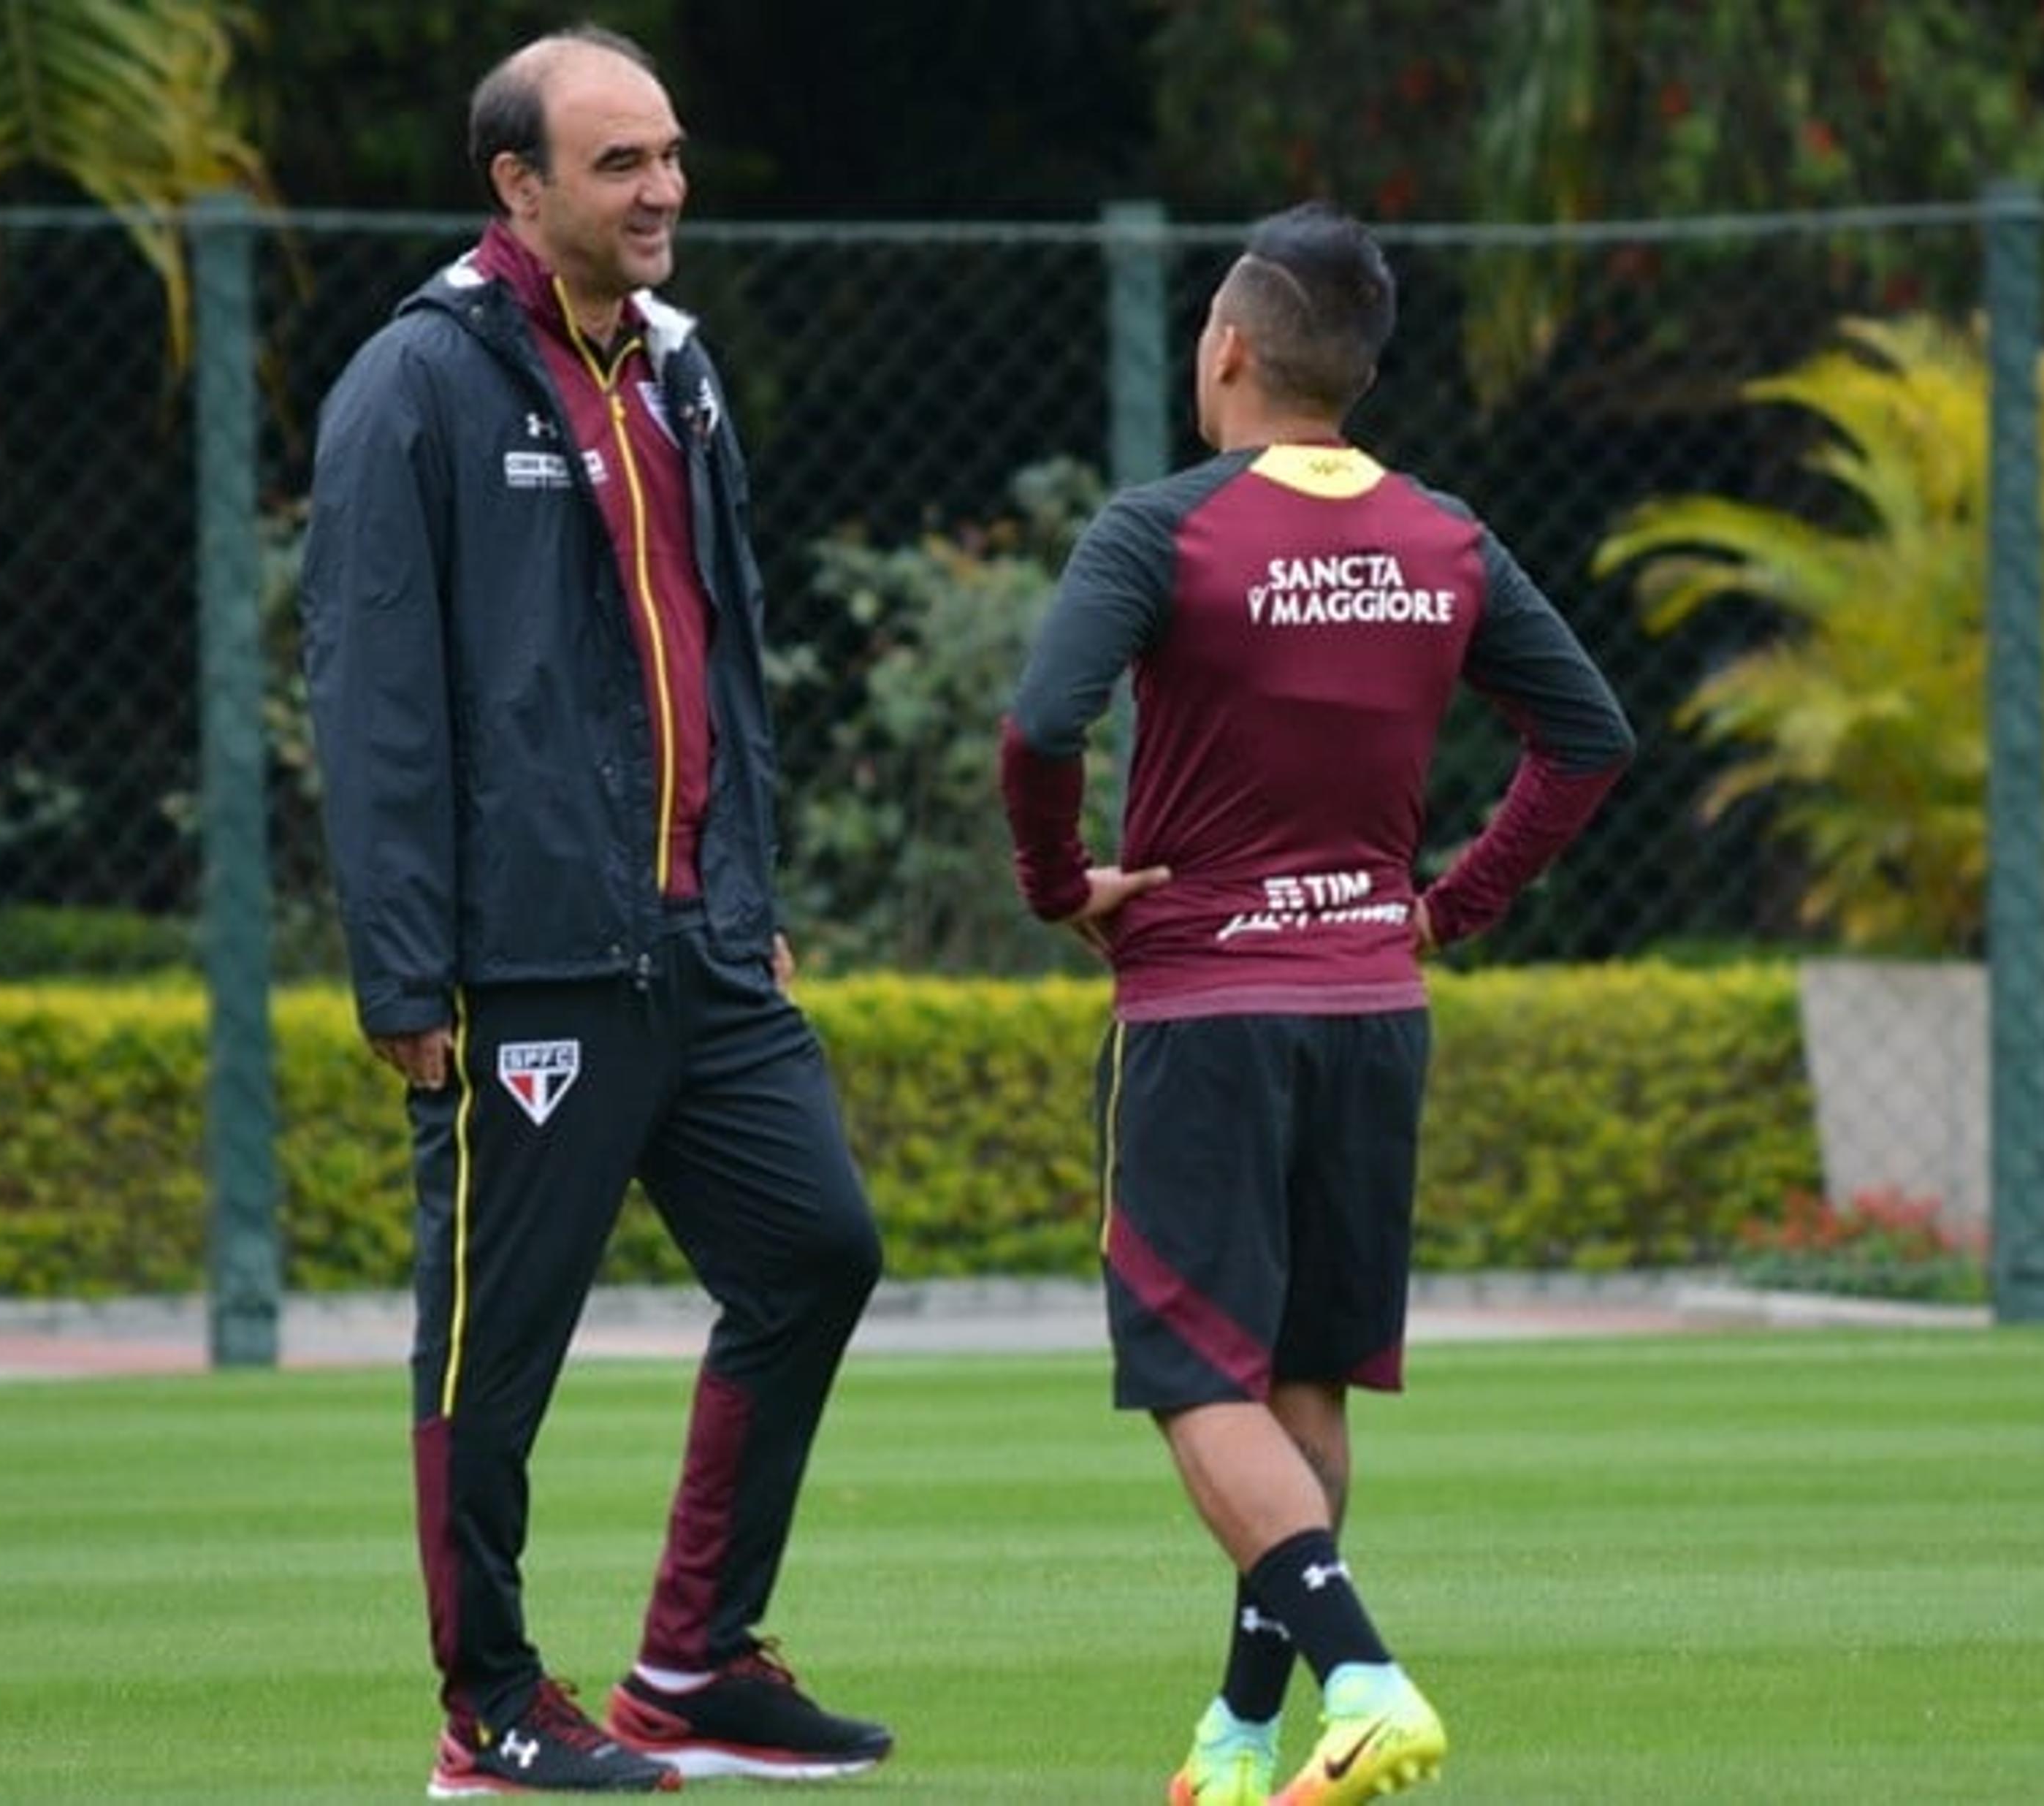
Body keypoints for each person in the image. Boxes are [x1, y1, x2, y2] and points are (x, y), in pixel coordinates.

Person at [300, 26, 892, 1798]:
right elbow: (373, 695)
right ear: (519, 187)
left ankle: (693, 1663)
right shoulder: (415, 386)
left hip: (700, 944)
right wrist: (404, 966)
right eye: (621, 163)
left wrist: (752, 891)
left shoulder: (677, 375)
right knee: (495, 1349)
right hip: (525, 962)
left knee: (817, 1251)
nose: (664, 191)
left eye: (670, 155)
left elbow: (730, 655)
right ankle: (488, 1708)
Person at [999, 201, 1636, 1806]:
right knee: (1302, 1386)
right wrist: (1450, 905)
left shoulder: (1162, 531)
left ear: (1224, 348)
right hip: (1371, 1003)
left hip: (1206, 1014)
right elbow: (1590, 742)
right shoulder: (1447, 540)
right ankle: (1240, 1737)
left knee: (1197, 1385)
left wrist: (1059, 882)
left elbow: (1039, 726)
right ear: (1352, 372)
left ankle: (1364, 1679)